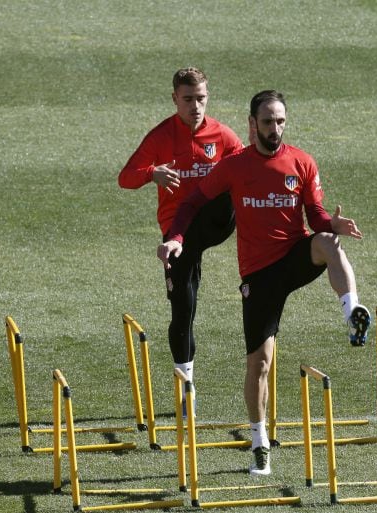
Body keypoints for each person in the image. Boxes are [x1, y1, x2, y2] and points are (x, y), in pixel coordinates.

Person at [158, 90, 371, 475]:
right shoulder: (234, 166)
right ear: (252, 124)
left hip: (293, 258)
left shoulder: (302, 162)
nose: (276, 129)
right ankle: (259, 443)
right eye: (269, 122)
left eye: (281, 121)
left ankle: (351, 310)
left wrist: (331, 225)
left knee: (327, 242)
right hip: (258, 275)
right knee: (260, 364)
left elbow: (317, 215)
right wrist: (176, 237)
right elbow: (190, 203)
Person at [118, 67, 244, 413]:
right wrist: (152, 174)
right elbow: (124, 178)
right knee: (183, 309)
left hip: (215, 223)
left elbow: (248, 167)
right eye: (188, 99)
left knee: (226, 185)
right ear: (175, 99)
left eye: (201, 98)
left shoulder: (221, 135)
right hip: (178, 235)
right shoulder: (161, 137)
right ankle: (186, 383)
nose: (195, 106)